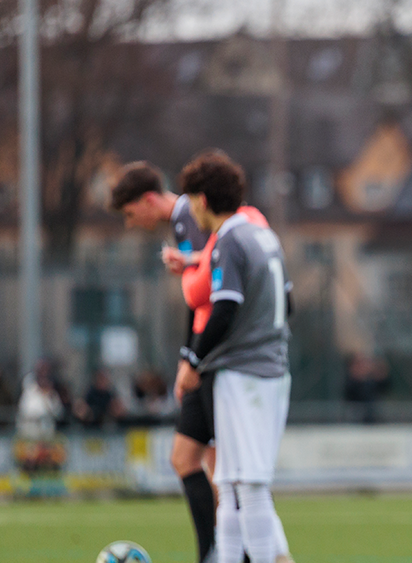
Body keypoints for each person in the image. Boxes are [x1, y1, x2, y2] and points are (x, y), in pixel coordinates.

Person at [174, 149, 293, 563]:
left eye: (192, 201)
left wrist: (193, 361)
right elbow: (289, 303)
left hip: (245, 374)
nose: (191, 211)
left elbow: (224, 307)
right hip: (269, 368)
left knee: (249, 486)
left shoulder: (228, 240)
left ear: (203, 201)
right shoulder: (263, 234)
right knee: (228, 484)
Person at [110, 160, 218, 563]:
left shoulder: (190, 217)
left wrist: (194, 357)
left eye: (129, 213)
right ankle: (213, 552)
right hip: (201, 357)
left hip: (216, 358)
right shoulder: (182, 224)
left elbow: (220, 278)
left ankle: (239, 551)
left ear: (148, 200)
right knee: (185, 458)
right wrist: (187, 357)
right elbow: (199, 296)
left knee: (219, 467)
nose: (130, 223)